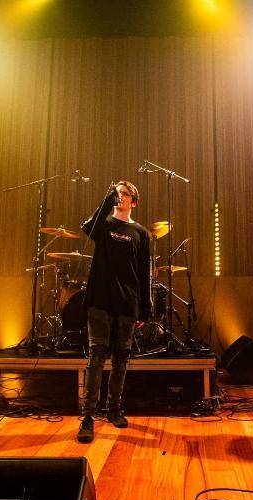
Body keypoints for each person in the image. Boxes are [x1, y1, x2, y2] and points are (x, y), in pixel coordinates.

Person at [76, 181, 151, 443]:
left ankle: (114, 409)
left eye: (125, 194)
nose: (120, 197)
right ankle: (88, 417)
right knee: (96, 357)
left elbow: (144, 273)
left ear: (134, 201)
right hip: (99, 299)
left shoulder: (140, 233)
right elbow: (86, 227)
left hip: (127, 302)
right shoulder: (104, 225)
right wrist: (106, 200)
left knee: (121, 358)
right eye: (117, 193)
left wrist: (146, 307)